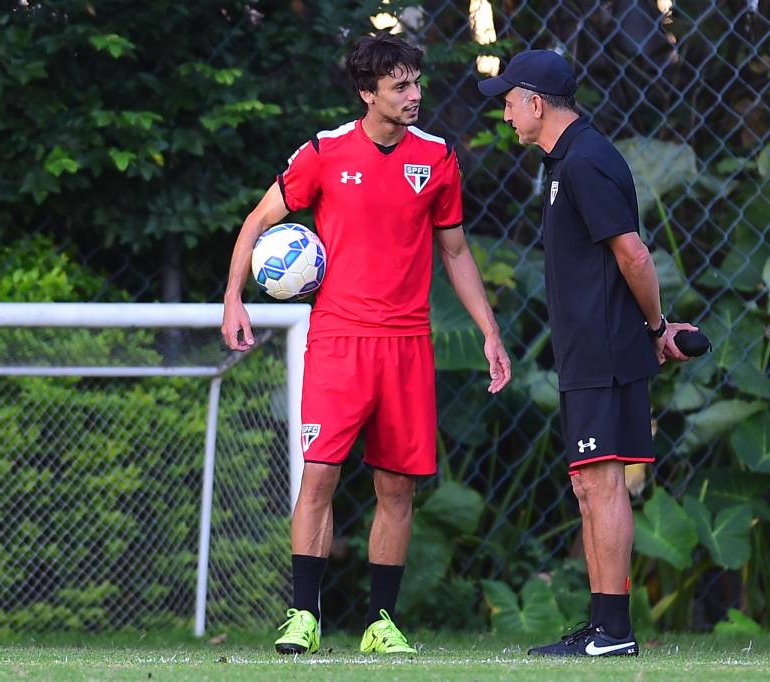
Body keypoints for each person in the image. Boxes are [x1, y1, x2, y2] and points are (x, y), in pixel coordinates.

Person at [222, 34, 512, 655]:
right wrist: (233, 299)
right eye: (400, 87)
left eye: (416, 83)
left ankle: (381, 625)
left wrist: (489, 330)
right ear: (367, 93)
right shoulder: (324, 153)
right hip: (338, 339)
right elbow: (256, 222)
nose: (415, 96)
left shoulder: (437, 158)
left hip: (408, 343)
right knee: (319, 476)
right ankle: (303, 616)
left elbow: (455, 251)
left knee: (397, 487)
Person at [478, 50, 695, 657]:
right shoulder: (565, 162)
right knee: (588, 487)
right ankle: (605, 627)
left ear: (536, 102)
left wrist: (655, 326)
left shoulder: (586, 163)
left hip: (604, 348)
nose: (505, 116)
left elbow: (634, 254)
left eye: (508, 102)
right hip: (587, 351)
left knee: (601, 486)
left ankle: (614, 634)